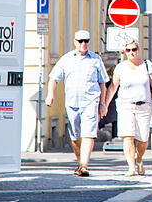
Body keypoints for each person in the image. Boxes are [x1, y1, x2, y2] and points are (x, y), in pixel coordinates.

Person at [46, 30, 109, 177]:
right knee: (75, 137)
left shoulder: (95, 59)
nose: (83, 44)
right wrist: (50, 94)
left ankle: (84, 165)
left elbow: (102, 83)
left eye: (86, 41)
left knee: (89, 134)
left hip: (90, 102)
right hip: (72, 103)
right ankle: (80, 162)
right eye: (80, 41)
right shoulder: (66, 59)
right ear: (75, 42)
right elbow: (53, 78)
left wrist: (102, 103)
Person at [104, 39, 152, 176]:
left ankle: (139, 160)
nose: (131, 53)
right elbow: (112, 87)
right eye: (128, 50)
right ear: (124, 52)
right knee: (128, 136)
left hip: (144, 106)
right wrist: (104, 105)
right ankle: (131, 167)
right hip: (125, 106)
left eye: (134, 49)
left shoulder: (147, 65)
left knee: (143, 139)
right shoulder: (120, 67)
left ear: (138, 50)